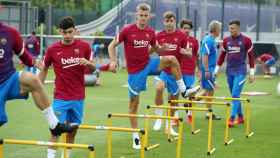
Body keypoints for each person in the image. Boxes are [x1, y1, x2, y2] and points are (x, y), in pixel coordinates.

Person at [108, 3, 197, 149]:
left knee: (171, 59)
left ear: (149, 16)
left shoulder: (150, 32)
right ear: (137, 15)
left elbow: (156, 49)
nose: (143, 18)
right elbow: (111, 46)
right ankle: (135, 136)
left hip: (149, 63)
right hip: (135, 71)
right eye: (141, 15)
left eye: (145, 16)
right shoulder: (127, 30)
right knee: (134, 104)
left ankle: (184, 90)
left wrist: (164, 49)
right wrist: (112, 61)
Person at [0, 17, 73, 136]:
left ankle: (54, 125)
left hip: (9, 79)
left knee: (33, 79)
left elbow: (22, 54)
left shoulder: (10, 33)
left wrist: (34, 62)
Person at [38, 16, 95, 158]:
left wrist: (88, 63)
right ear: (59, 31)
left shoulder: (85, 47)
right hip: (61, 97)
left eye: (70, 32)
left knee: (73, 129)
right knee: (55, 130)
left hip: (78, 97)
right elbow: (44, 68)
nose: (68, 35)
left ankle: (66, 156)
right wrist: (37, 87)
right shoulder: (52, 50)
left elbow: (93, 69)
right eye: (64, 32)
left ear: (75, 31)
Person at [152, 12, 199, 136]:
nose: (169, 23)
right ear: (163, 22)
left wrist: (185, 52)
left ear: (174, 22)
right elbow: (153, 50)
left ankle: (169, 126)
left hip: (176, 71)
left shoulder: (181, 36)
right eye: (166, 21)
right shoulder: (159, 35)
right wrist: (160, 48)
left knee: (173, 100)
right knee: (159, 88)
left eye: (171, 21)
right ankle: (158, 117)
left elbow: (189, 54)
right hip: (163, 70)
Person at [215, 19, 255, 127]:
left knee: (235, 95)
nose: (230, 30)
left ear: (238, 28)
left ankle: (231, 118)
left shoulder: (247, 40)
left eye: (232, 28)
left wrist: (252, 73)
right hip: (229, 72)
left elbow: (251, 57)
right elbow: (222, 56)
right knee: (235, 96)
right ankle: (241, 117)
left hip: (241, 71)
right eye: (229, 28)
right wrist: (216, 70)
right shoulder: (226, 40)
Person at [198, 20, 222, 120]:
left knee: (207, 90)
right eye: (219, 29)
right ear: (216, 30)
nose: (220, 31)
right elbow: (204, 56)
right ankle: (208, 113)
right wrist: (207, 71)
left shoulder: (211, 40)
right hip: (208, 70)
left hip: (209, 69)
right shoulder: (209, 40)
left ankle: (190, 102)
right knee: (209, 90)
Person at [179, 19, 200, 123]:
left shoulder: (194, 41)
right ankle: (174, 117)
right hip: (178, 69)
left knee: (191, 92)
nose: (186, 30)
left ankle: (190, 113)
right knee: (176, 93)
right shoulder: (177, 39)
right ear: (181, 28)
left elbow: (196, 56)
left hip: (189, 70)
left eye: (188, 28)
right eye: (184, 28)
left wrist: (197, 68)